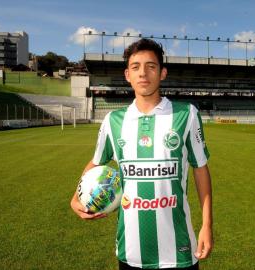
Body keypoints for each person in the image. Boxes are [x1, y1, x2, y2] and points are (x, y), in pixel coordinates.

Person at [71, 38, 213, 270]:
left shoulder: (186, 115)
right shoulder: (113, 121)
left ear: (163, 73)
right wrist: (75, 197)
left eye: (151, 66)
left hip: (179, 250)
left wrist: (207, 225)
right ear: (127, 75)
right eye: (136, 67)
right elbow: (95, 163)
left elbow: (200, 169)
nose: (143, 73)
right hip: (131, 252)